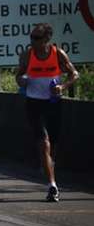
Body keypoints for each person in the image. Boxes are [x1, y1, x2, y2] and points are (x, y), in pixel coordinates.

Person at [15, 23, 78, 202]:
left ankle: (49, 165)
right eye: (31, 37)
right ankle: (52, 185)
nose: (32, 41)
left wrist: (62, 86)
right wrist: (22, 81)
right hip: (33, 103)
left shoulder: (58, 54)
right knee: (44, 143)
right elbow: (18, 76)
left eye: (36, 38)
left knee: (53, 145)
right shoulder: (27, 55)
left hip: (53, 103)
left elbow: (74, 74)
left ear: (46, 39)